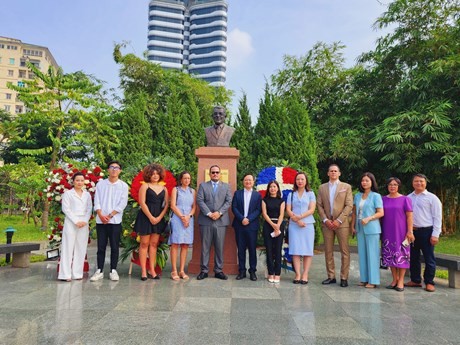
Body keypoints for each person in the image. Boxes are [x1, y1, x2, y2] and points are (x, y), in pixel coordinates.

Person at [90, 161, 128, 282]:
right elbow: (97, 201)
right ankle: (99, 270)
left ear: (120, 171)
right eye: (111, 167)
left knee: (114, 246)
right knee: (101, 246)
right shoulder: (100, 184)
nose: (114, 170)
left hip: (115, 220)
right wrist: (101, 214)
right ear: (108, 170)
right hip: (101, 221)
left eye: (116, 168)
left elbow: (123, 203)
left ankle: (113, 270)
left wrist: (110, 215)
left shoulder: (123, 186)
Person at [317, 164, 353, 287]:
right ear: (328, 173)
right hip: (327, 223)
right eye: (331, 171)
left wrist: (339, 220)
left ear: (339, 173)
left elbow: (349, 205)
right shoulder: (322, 188)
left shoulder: (346, 187)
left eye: (335, 171)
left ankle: (344, 277)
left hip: (341, 224)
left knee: (344, 251)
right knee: (328, 250)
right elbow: (319, 205)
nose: (333, 173)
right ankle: (331, 276)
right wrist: (325, 219)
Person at [405, 173, 442, 292]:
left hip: (427, 231)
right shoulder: (408, 197)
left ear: (425, 183)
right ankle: (415, 280)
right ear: (412, 183)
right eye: (416, 181)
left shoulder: (432, 198)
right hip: (412, 232)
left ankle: (429, 282)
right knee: (413, 257)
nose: (419, 183)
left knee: (429, 258)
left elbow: (437, 217)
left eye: (421, 181)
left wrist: (435, 234)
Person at [133, 163, 169, 281]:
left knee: (154, 244)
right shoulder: (145, 186)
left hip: (158, 218)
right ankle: (143, 270)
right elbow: (142, 202)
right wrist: (151, 217)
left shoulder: (164, 189)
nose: (155, 176)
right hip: (145, 217)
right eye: (152, 174)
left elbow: (166, 205)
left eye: (157, 174)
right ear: (149, 175)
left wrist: (159, 217)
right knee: (144, 244)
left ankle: (152, 270)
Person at [196, 165, 232, 280]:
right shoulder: (203, 185)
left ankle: (218, 270)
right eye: (213, 172)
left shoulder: (226, 186)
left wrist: (219, 213)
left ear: (220, 174)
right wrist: (209, 213)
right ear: (210, 174)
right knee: (205, 247)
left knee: (219, 247)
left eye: (217, 172)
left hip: (221, 221)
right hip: (206, 220)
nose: (215, 174)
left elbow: (228, 201)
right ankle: (204, 270)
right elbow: (200, 200)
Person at [381, 177, 414, 292]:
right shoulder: (383, 199)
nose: (392, 186)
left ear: (399, 186)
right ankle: (394, 279)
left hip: (401, 231)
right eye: (390, 184)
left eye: (395, 184)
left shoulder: (405, 199)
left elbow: (409, 216)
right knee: (390, 255)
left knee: (402, 255)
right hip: (387, 231)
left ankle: (401, 282)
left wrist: (410, 231)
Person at [351, 172, 384, 288]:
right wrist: (352, 226)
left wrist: (369, 218)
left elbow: (381, 213)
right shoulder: (357, 196)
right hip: (359, 227)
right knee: (362, 254)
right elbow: (354, 212)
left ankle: (373, 280)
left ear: (372, 182)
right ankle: (364, 279)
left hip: (372, 228)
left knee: (372, 254)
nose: (364, 182)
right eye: (363, 180)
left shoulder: (376, 196)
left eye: (367, 181)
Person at [58, 172, 92, 281]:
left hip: (84, 223)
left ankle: (77, 273)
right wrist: (76, 221)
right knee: (67, 247)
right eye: (77, 180)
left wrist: (84, 221)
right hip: (71, 222)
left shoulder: (87, 194)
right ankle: (65, 274)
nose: (80, 182)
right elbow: (66, 209)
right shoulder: (68, 194)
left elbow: (89, 209)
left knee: (81, 248)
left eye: (82, 180)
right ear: (73, 181)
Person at [286, 172, 316, 285]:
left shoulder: (311, 194)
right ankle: (297, 274)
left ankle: (305, 274)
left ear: (306, 181)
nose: (300, 181)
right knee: (295, 250)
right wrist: (297, 220)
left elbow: (312, 209)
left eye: (302, 179)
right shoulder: (291, 194)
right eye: (298, 179)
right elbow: (288, 209)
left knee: (307, 250)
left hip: (307, 224)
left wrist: (301, 217)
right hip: (294, 225)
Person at [231, 174, 262, 281]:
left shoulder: (257, 195)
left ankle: (252, 271)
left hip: (252, 225)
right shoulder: (237, 193)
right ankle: (242, 271)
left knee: (252, 249)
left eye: (250, 180)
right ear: (243, 182)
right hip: (239, 225)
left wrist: (248, 219)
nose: (248, 182)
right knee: (241, 249)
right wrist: (242, 218)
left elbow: (258, 210)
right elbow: (234, 207)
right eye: (246, 180)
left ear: (253, 182)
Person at [168, 171, 196, 281]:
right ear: (181, 179)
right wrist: (182, 217)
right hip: (177, 218)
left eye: (188, 178)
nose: (187, 180)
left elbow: (194, 207)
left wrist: (188, 216)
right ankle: (174, 270)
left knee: (185, 245)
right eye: (185, 178)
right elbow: (173, 206)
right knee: (175, 243)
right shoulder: (176, 190)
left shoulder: (192, 191)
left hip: (189, 219)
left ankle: (182, 270)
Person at [261, 180, 285, 283]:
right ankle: (271, 272)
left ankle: (277, 273)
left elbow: (281, 214)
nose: (273, 189)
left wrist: (277, 226)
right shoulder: (264, 200)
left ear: (278, 188)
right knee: (269, 250)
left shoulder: (282, 201)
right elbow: (265, 214)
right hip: (268, 225)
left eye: (274, 187)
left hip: (279, 225)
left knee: (278, 250)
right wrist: (273, 225)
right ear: (268, 189)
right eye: (271, 187)